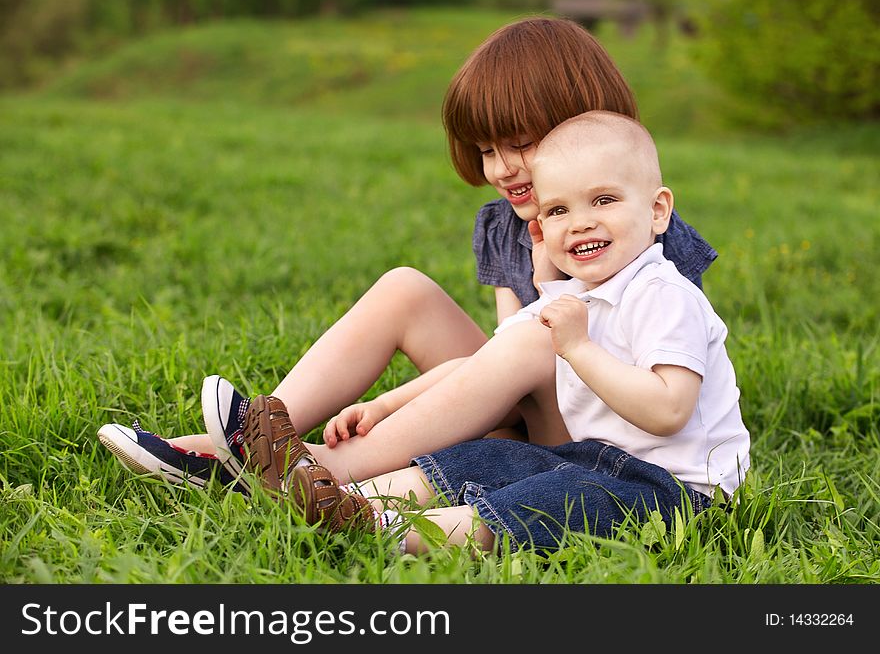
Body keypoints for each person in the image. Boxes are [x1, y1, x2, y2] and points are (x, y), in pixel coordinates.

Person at [97, 17, 717, 493]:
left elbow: (653, 367)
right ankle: (257, 432)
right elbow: (499, 366)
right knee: (405, 288)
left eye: (520, 145)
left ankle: (312, 468)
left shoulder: (636, 227)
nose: (501, 169)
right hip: (515, 406)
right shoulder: (505, 224)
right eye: (485, 150)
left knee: (534, 338)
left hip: (603, 440)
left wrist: (553, 287)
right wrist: (397, 400)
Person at [259, 111, 751, 553]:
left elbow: (669, 410)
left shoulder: (664, 294)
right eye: (558, 210)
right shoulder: (570, 295)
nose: (579, 224)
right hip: (591, 458)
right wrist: (387, 406)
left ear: (658, 210)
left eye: (603, 200)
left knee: (547, 502)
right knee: (491, 457)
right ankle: (330, 496)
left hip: (679, 494)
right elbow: (485, 364)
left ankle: (380, 528)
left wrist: (577, 348)